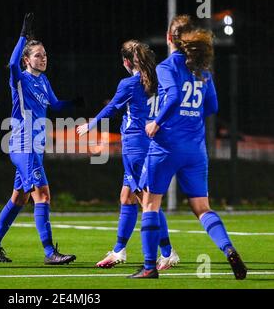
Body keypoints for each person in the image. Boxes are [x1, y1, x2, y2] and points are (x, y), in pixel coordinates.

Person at [130, 15, 247, 279]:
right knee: (202, 208)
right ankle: (228, 248)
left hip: (166, 147)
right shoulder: (203, 70)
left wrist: (156, 122)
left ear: (170, 38)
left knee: (149, 204)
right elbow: (213, 107)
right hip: (195, 150)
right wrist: (191, 115)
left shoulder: (166, 66)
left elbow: (172, 97)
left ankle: (149, 267)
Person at [0, 13, 79, 265]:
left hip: (35, 147)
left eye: (45, 54)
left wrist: (76, 104)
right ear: (27, 59)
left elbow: (55, 105)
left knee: (19, 198)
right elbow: (11, 65)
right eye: (38, 55)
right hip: (22, 144)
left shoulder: (43, 80)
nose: (43, 58)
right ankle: (49, 253)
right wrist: (23, 35)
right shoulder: (20, 79)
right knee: (43, 195)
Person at [76, 40, 179, 270]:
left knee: (147, 202)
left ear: (125, 61)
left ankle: (168, 252)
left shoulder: (129, 83)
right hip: (151, 142)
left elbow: (113, 107)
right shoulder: (158, 79)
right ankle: (119, 250)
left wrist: (91, 124)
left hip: (135, 146)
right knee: (127, 197)